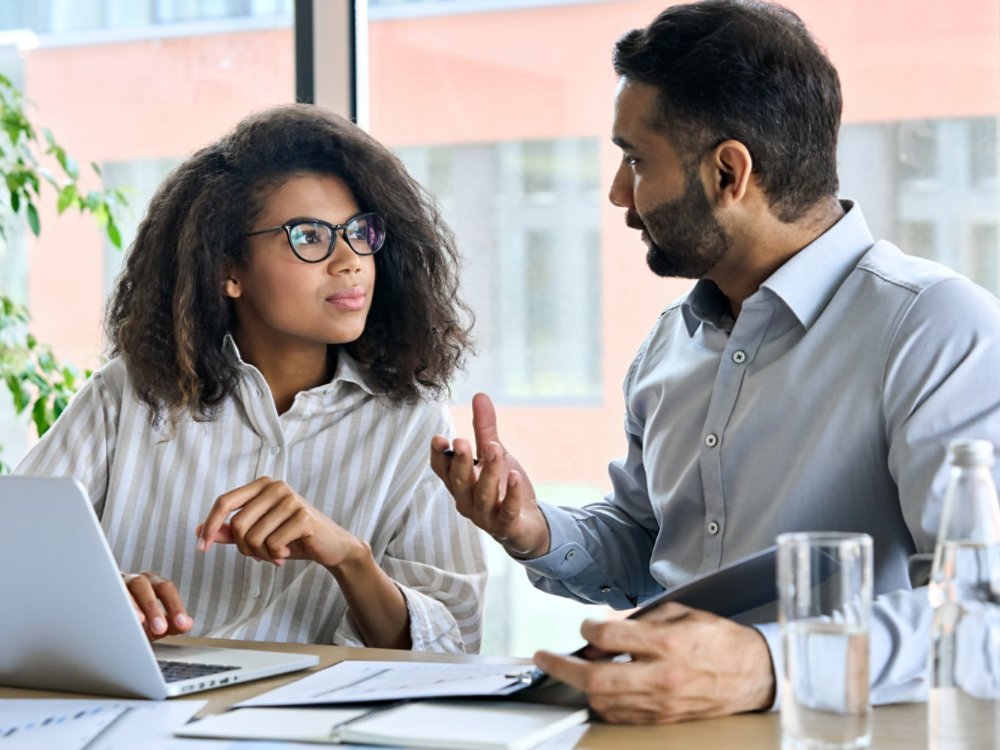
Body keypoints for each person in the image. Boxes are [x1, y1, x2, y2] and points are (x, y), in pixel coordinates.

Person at [431, 0, 1000, 722]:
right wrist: (533, 530)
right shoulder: (673, 341)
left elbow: (985, 615)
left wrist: (766, 664)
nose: (617, 195)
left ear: (730, 172)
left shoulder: (936, 329)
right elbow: (646, 548)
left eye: (636, 160)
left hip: (826, 731)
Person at [16, 104, 486, 653]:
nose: (350, 260)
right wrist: (97, 595)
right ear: (227, 271)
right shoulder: (128, 395)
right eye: (309, 236)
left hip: (310, 731)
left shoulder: (412, 421)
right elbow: (13, 558)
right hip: (144, 714)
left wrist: (350, 558)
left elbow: (454, 647)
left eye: (360, 232)